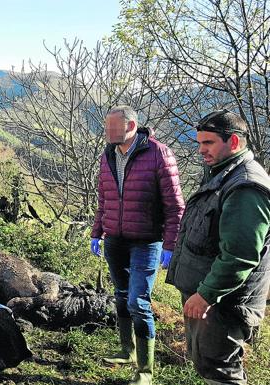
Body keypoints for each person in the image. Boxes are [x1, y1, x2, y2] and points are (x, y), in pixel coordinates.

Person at [166, 110, 270, 384]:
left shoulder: (245, 187)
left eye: (208, 143)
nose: (201, 150)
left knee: (221, 370)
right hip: (212, 297)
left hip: (224, 303)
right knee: (210, 364)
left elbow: (240, 256)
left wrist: (206, 295)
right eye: (199, 143)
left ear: (234, 142)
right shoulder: (223, 174)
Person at [91, 105, 185, 385]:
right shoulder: (107, 155)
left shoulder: (158, 154)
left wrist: (171, 245)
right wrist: (97, 232)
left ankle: (144, 371)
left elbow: (175, 206)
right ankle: (126, 350)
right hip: (115, 240)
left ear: (131, 126)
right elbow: (103, 199)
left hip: (147, 242)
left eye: (112, 127)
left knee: (138, 302)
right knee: (121, 297)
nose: (107, 132)